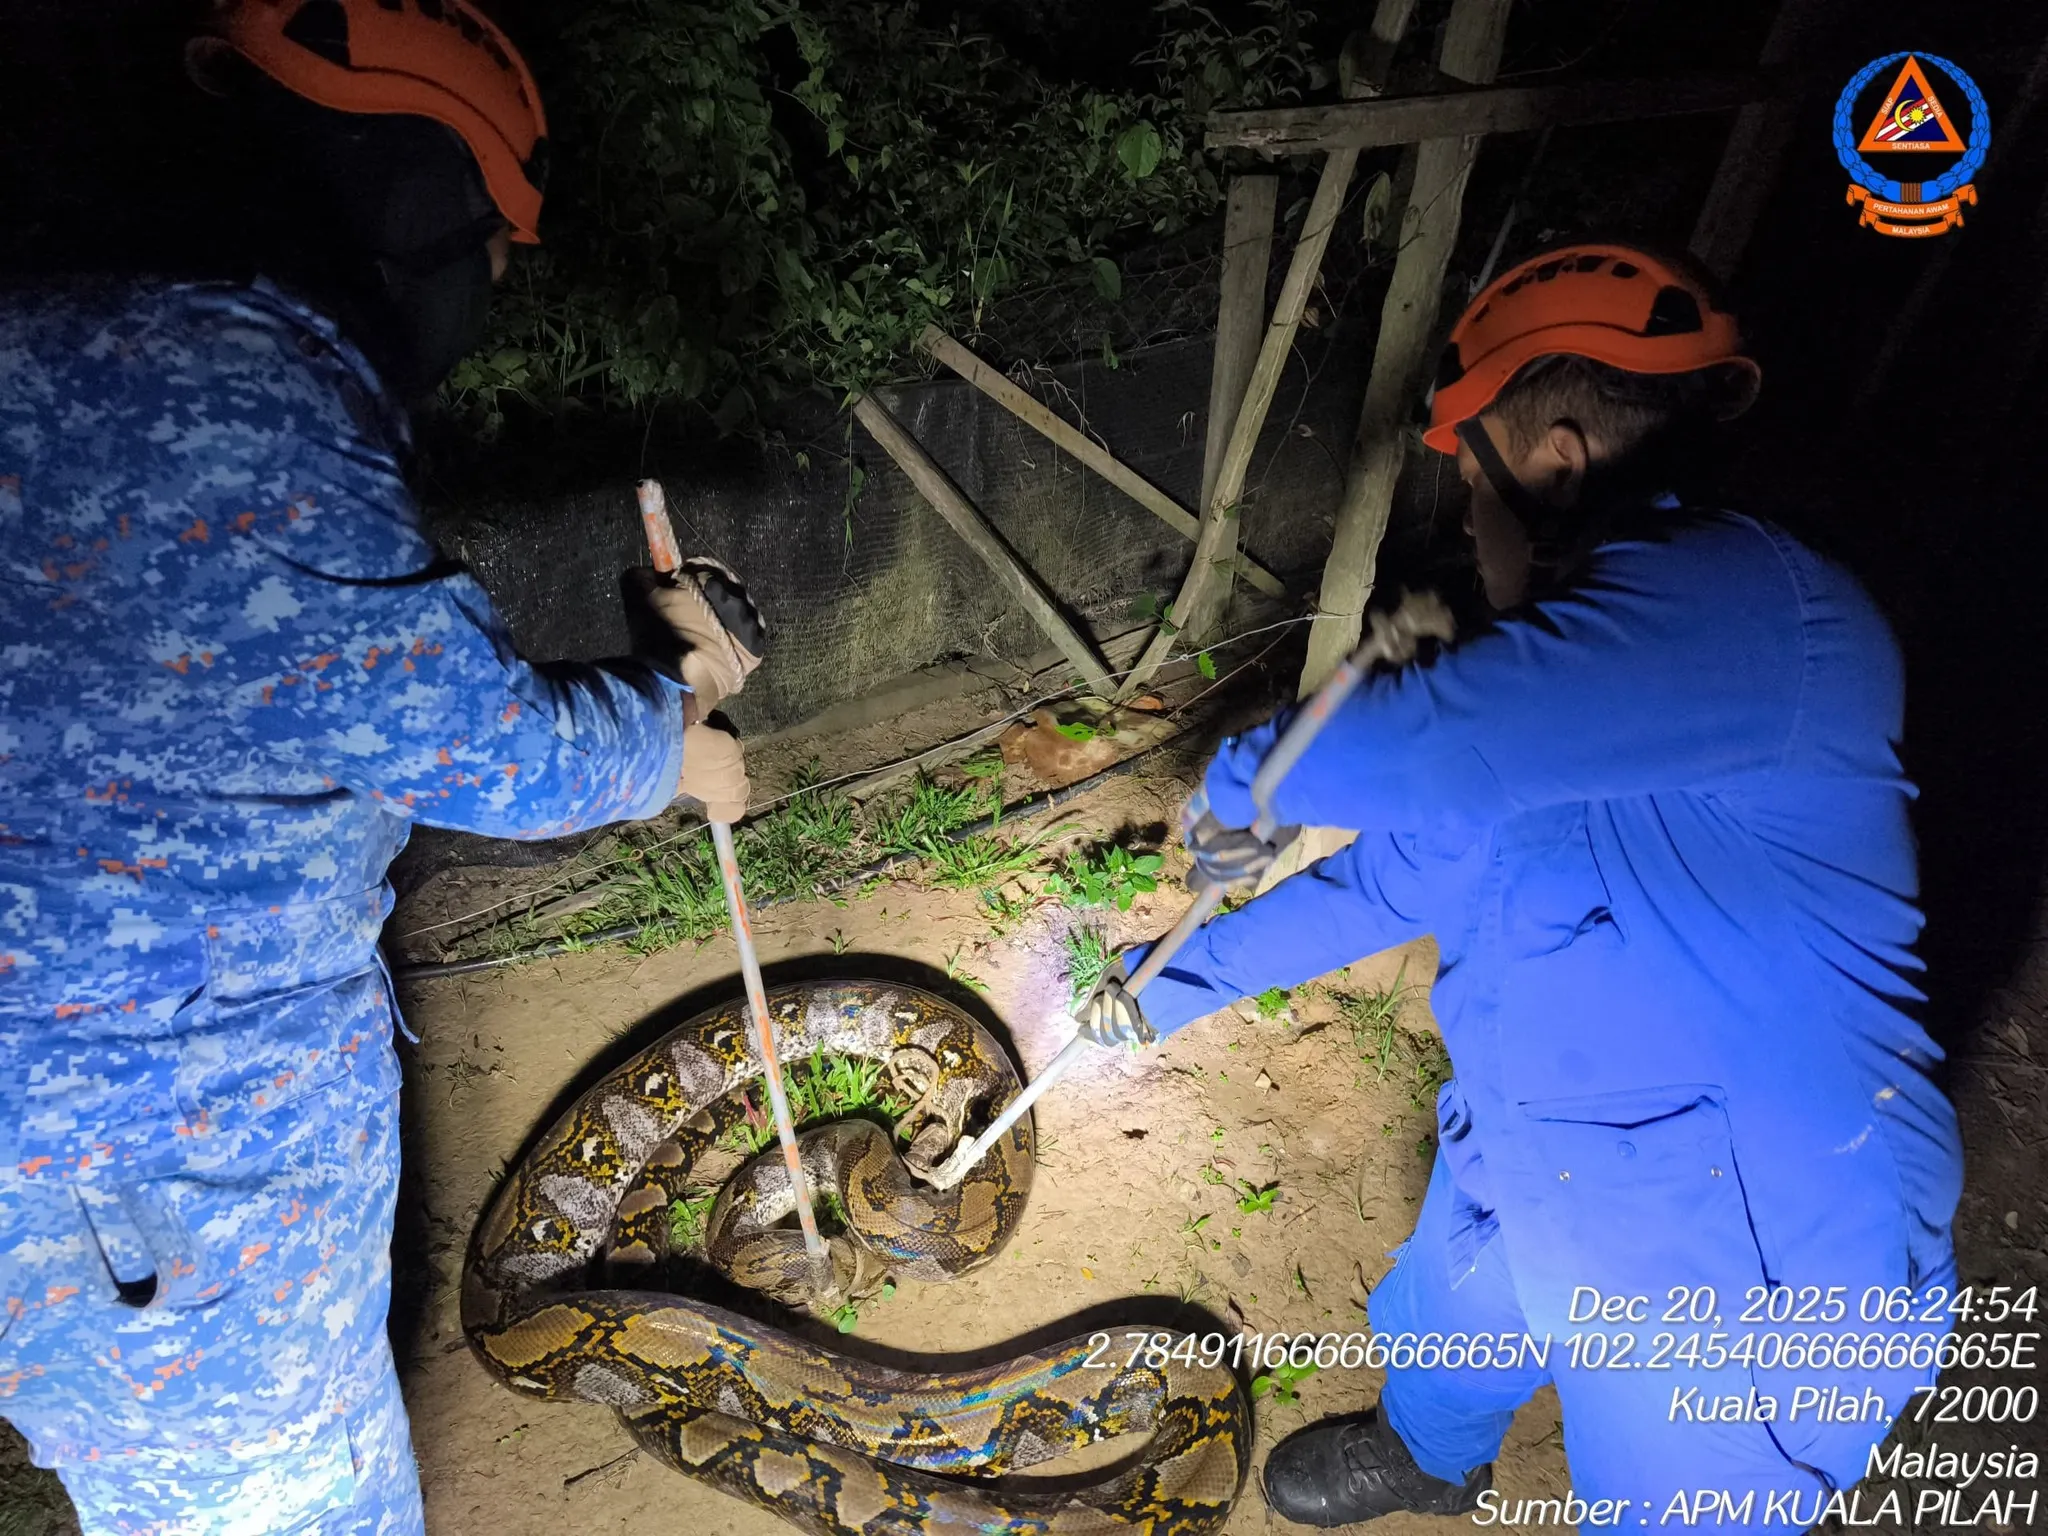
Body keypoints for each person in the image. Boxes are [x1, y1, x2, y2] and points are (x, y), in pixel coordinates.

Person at [0, 2, 756, 1530]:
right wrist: (678, 744)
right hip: (167, 1160)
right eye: (490, 243)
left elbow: (292, 663)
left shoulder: (57, 339)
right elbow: (470, 745)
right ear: (412, 194)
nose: (488, 281)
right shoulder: (244, 401)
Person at [1081, 245, 1964, 1527]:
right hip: (1533, 1140)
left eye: (1466, 491)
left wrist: (1244, 793)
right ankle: (1432, 1455)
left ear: (1548, 462)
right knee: (1445, 1315)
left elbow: (1426, 752)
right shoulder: (1564, 674)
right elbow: (1396, 881)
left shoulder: (1765, 617)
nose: (1464, 527)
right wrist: (1164, 992)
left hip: (1746, 1247)